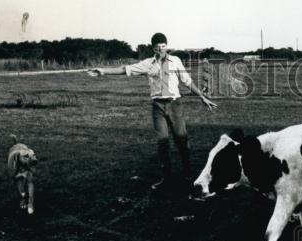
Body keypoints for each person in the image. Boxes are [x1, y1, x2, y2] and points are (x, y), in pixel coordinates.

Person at [87, 32, 217, 191]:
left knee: (181, 139)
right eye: (158, 48)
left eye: (164, 47)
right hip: (158, 107)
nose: (161, 50)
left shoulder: (175, 61)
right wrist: (103, 70)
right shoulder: (148, 63)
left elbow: (187, 81)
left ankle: (188, 172)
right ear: (153, 49)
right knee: (163, 142)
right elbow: (125, 69)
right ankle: (167, 178)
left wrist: (202, 97)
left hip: (175, 104)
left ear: (167, 46)